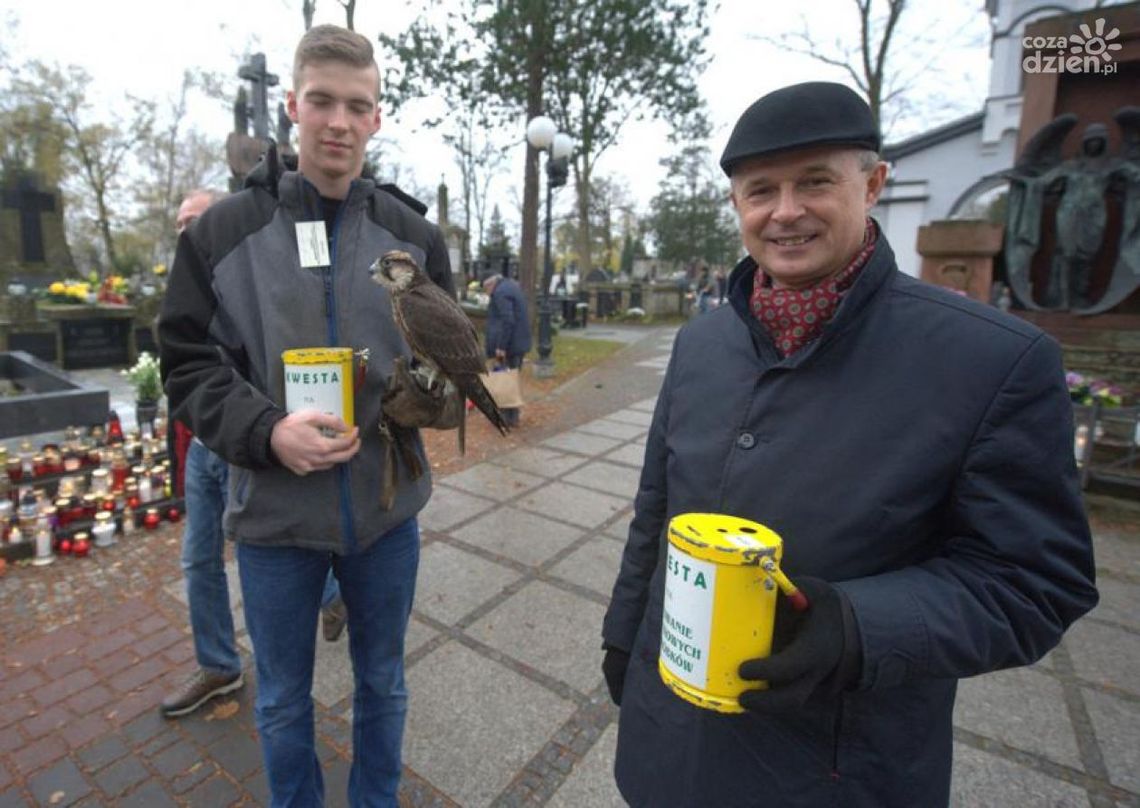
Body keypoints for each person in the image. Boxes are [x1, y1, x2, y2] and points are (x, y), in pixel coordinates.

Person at [600, 82, 1098, 807]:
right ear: (737, 204)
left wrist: (863, 627)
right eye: (760, 190)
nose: (785, 211)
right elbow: (657, 509)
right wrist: (624, 635)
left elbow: (1036, 581)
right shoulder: (702, 343)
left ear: (873, 184)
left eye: (815, 182)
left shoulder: (993, 361)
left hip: (834, 765)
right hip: (670, 739)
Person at [160, 25, 455, 806]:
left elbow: (449, 363)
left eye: (357, 106)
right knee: (283, 700)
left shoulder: (414, 237)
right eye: (322, 101)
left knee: (383, 684)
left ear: (377, 118)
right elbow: (185, 361)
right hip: (274, 521)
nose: (338, 123)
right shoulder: (223, 232)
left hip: (385, 515)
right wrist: (265, 432)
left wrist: (426, 399)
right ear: (292, 106)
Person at [482, 272, 532, 427]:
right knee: (511, 378)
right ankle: (512, 416)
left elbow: (507, 320)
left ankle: (506, 417)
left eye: (485, 289)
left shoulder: (500, 292)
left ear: (490, 284)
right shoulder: (511, 286)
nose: (487, 293)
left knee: (505, 379)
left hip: (509, 345)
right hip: (518, 342)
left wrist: (501, 346)